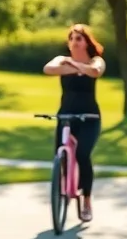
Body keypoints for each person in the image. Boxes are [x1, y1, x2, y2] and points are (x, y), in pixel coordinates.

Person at [42, 24, 106, 223]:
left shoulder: (96, 60)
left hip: (90, 117)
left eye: (79, 38)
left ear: (87, 42)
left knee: (82, 154)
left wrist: (75, 66)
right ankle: (63, 188)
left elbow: (95, 71)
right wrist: (71, 65)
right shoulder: (62, 59)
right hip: (66, 115)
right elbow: (48, 69)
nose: (75, 42)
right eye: (72, 39)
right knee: (59, 154)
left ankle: (86, 199)